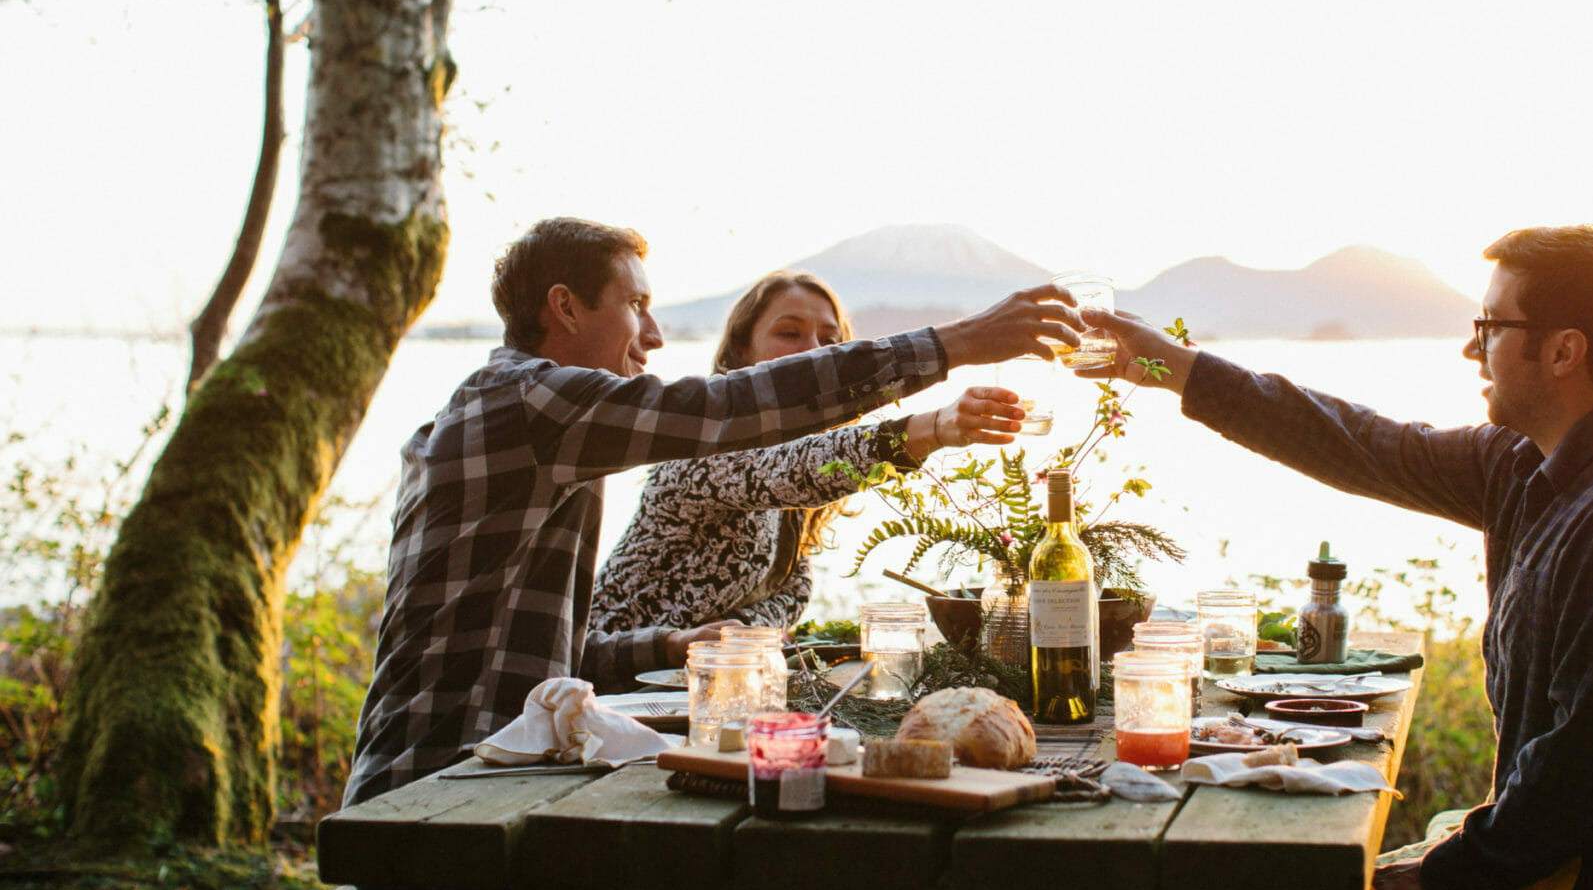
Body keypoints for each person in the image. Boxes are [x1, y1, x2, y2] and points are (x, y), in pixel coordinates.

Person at [1083, 225, 1593, 890]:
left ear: (1564, 351)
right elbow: (1364, 443)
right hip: (1588, 855)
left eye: (1490, 328)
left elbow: (1587, 772)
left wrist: (1445, 872)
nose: (1471, 351)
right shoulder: (1526, 464)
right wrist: (1177, 370)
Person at [343, 218, 1078, 815]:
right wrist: (956, 348)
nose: (656, 334)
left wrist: (671, 642)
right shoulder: (530, 403)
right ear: (564, 307)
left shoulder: (531, 421)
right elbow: (726, 413)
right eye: (636, 305)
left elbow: (548, 660)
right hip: (434, 805)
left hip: (470, 792)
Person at [592, 271, 1013, 637]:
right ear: (741, 350)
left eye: (830, 340)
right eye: (789, 333)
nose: (815, 350)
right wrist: (934, 427)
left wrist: (749, 638)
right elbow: (794, 472)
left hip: (688, 689)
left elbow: (784, 599)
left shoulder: (798, 494)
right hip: (596, 683)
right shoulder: (703, 443)